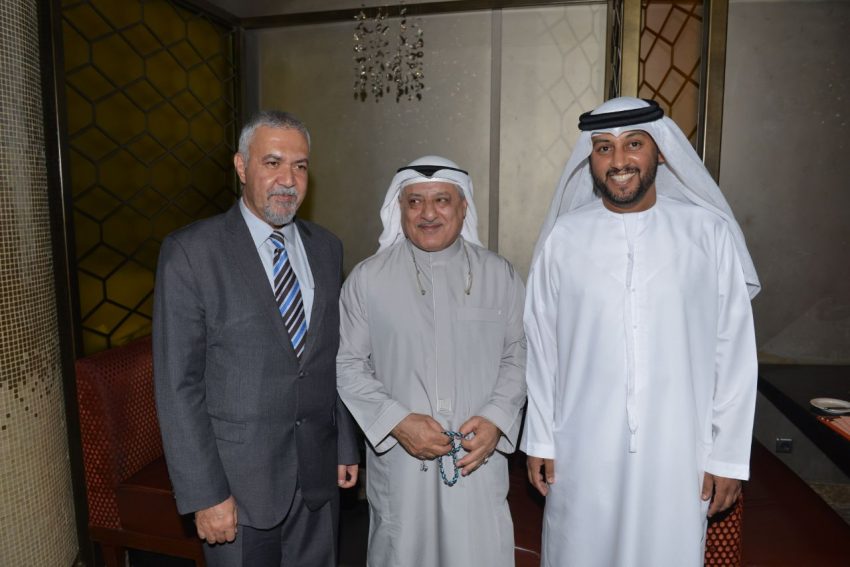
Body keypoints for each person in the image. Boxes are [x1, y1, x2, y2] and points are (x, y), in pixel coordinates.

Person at [523, 97, 760, 566]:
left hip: (679, 450)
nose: (618, 161)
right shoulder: (563, 238)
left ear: (661, 152)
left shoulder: (706, 234)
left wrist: (728, 457)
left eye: (634, 144)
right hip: (581, 448)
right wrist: (542, 440)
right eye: (603, 148)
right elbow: (542, 346)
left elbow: (733, 352)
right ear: (590, 159)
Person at [153, 110, 359, 567]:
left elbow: (334, 356)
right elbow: (177, 385)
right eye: (272, 163)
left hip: (318, 477)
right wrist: (206, 493)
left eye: (300, 166)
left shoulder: (327, 248)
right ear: (242, 167)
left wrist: (345, 444)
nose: (288, 179)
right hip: (237, 490)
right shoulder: (191, 252)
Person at [336, 156, 527, 567]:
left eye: (441, 200)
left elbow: (519, 353)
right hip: (403, 464)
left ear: (463, 207)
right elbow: (348, 364)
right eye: (415, 202)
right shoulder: (367, 280)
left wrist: (496, 419)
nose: (428, 213)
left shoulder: (500, 276)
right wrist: (397, 422)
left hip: (476, 457)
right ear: (400, 209)